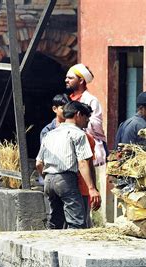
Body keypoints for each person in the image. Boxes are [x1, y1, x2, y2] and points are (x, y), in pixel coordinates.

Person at [36, 101, 101, 229]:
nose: (87, 122)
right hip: (66, 179)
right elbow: (83, 163)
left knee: (55, 222)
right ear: (78, 114)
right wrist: (92, 188)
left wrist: (47, 178)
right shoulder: (78, 134)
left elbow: (39, 163)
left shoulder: (50, 134)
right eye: (86, 118)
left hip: (49, 180)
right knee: (76, 223)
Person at [65, 63, 107, 166]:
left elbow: (96, 124)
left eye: (70, 78)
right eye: (66, 77)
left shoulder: (91, 100)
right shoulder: (66, 99)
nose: (66, 80)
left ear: (81, 80)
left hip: (89, 146)